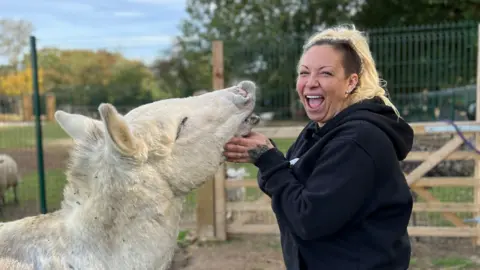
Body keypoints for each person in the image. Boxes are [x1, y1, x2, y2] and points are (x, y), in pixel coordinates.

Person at [223, 24, 414, 270]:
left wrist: (269, 160)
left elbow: (308, 220)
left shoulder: (358, 141)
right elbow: (280, 184)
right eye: (304, 73)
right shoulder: (319, 130)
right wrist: (267, 157)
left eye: (325, 73)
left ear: (350, 82)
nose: (310, 82)